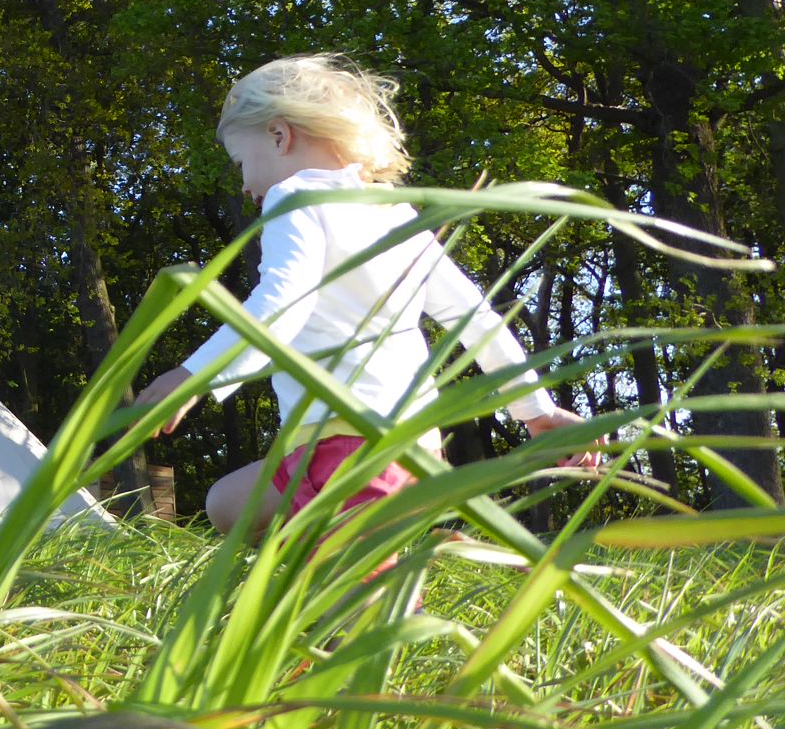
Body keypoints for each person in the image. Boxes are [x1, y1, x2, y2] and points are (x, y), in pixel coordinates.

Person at [137, 54, 594, 542]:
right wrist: (536, 411)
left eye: (241, 163)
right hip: (416, 447)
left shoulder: (294, 197)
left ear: (279, 136)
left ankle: (402, 561)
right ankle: (408, 538)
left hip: (345, 445)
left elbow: (282, 300)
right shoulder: (396, 214)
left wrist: (195, 376)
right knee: (228, 503)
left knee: (353, 606)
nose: (245, 184)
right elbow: (475, 319)